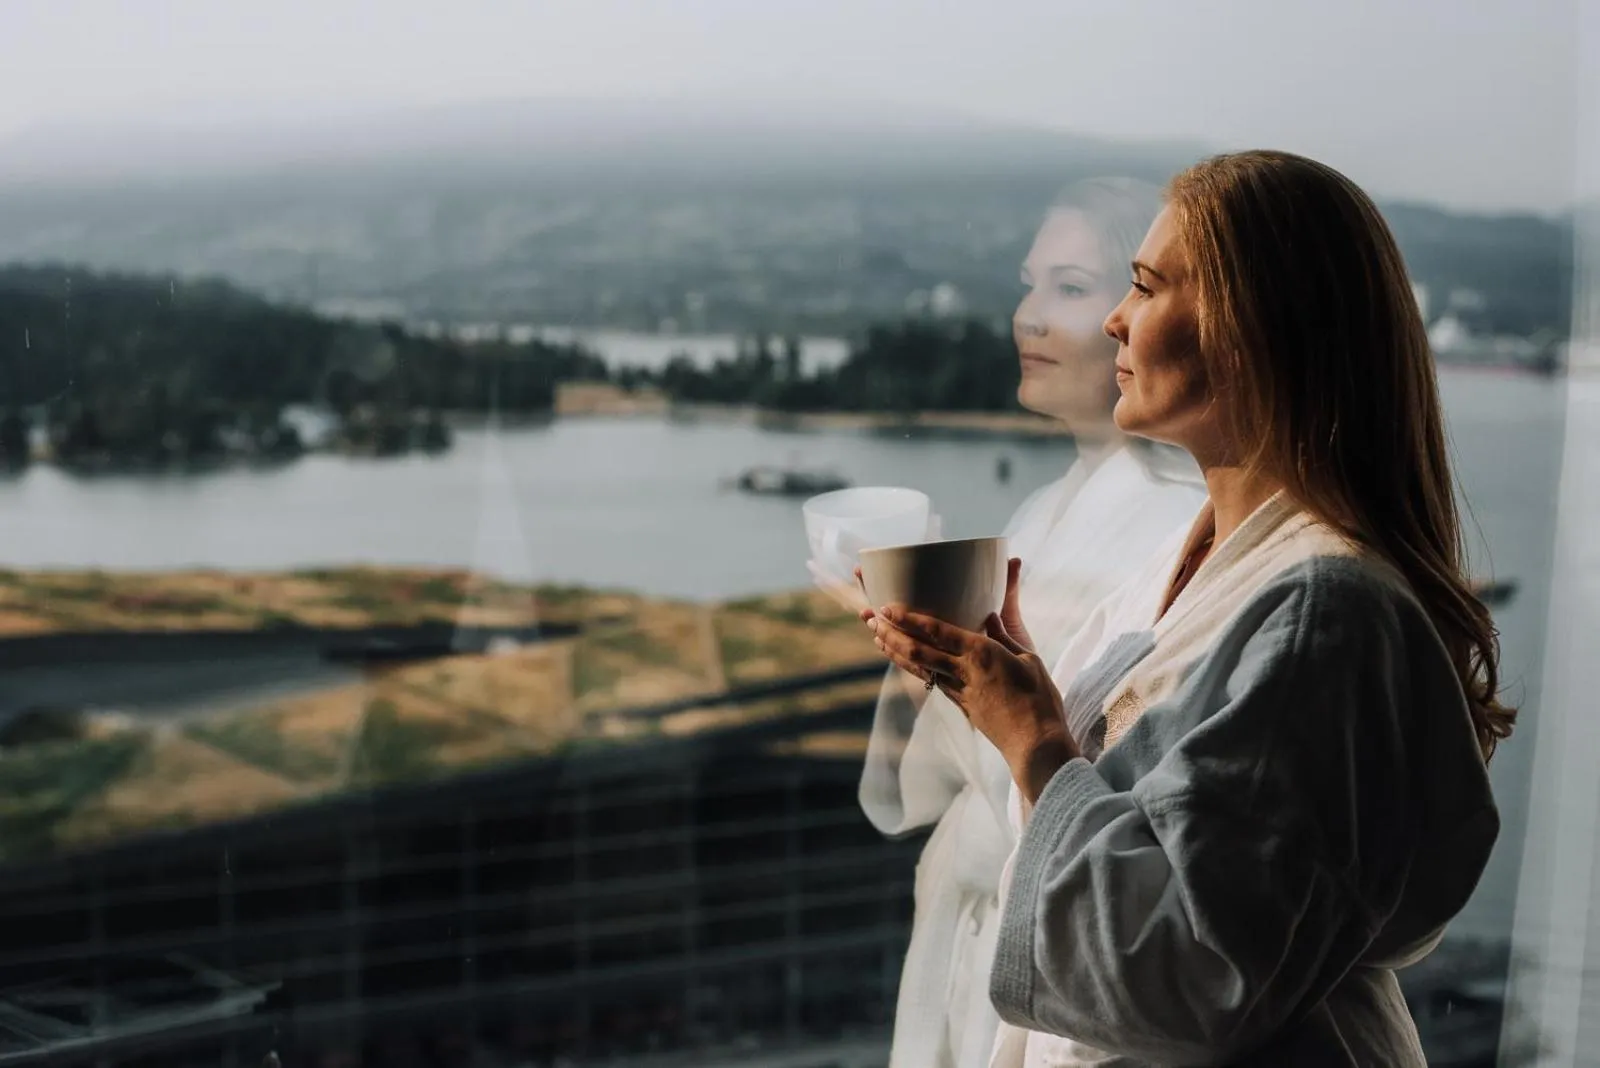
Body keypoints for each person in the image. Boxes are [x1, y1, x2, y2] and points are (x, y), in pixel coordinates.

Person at [864, 150, 1509, 1067]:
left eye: (1143, 286)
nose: (1118, 322)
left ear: (1255, 328)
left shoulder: (1323, 613)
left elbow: (1194, 970)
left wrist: (1037, 740)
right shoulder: (1192, 576)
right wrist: (995, 679)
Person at [844, 179, 1209, 1068]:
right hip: (971, 937)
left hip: (1047, 944)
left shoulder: (1177, 532)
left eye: (1073, 288)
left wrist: (959, 669)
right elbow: (924, 795)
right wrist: (918, 642)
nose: (1027, 316)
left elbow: (1110, 812)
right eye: (1028, 282)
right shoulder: (1042, 513)